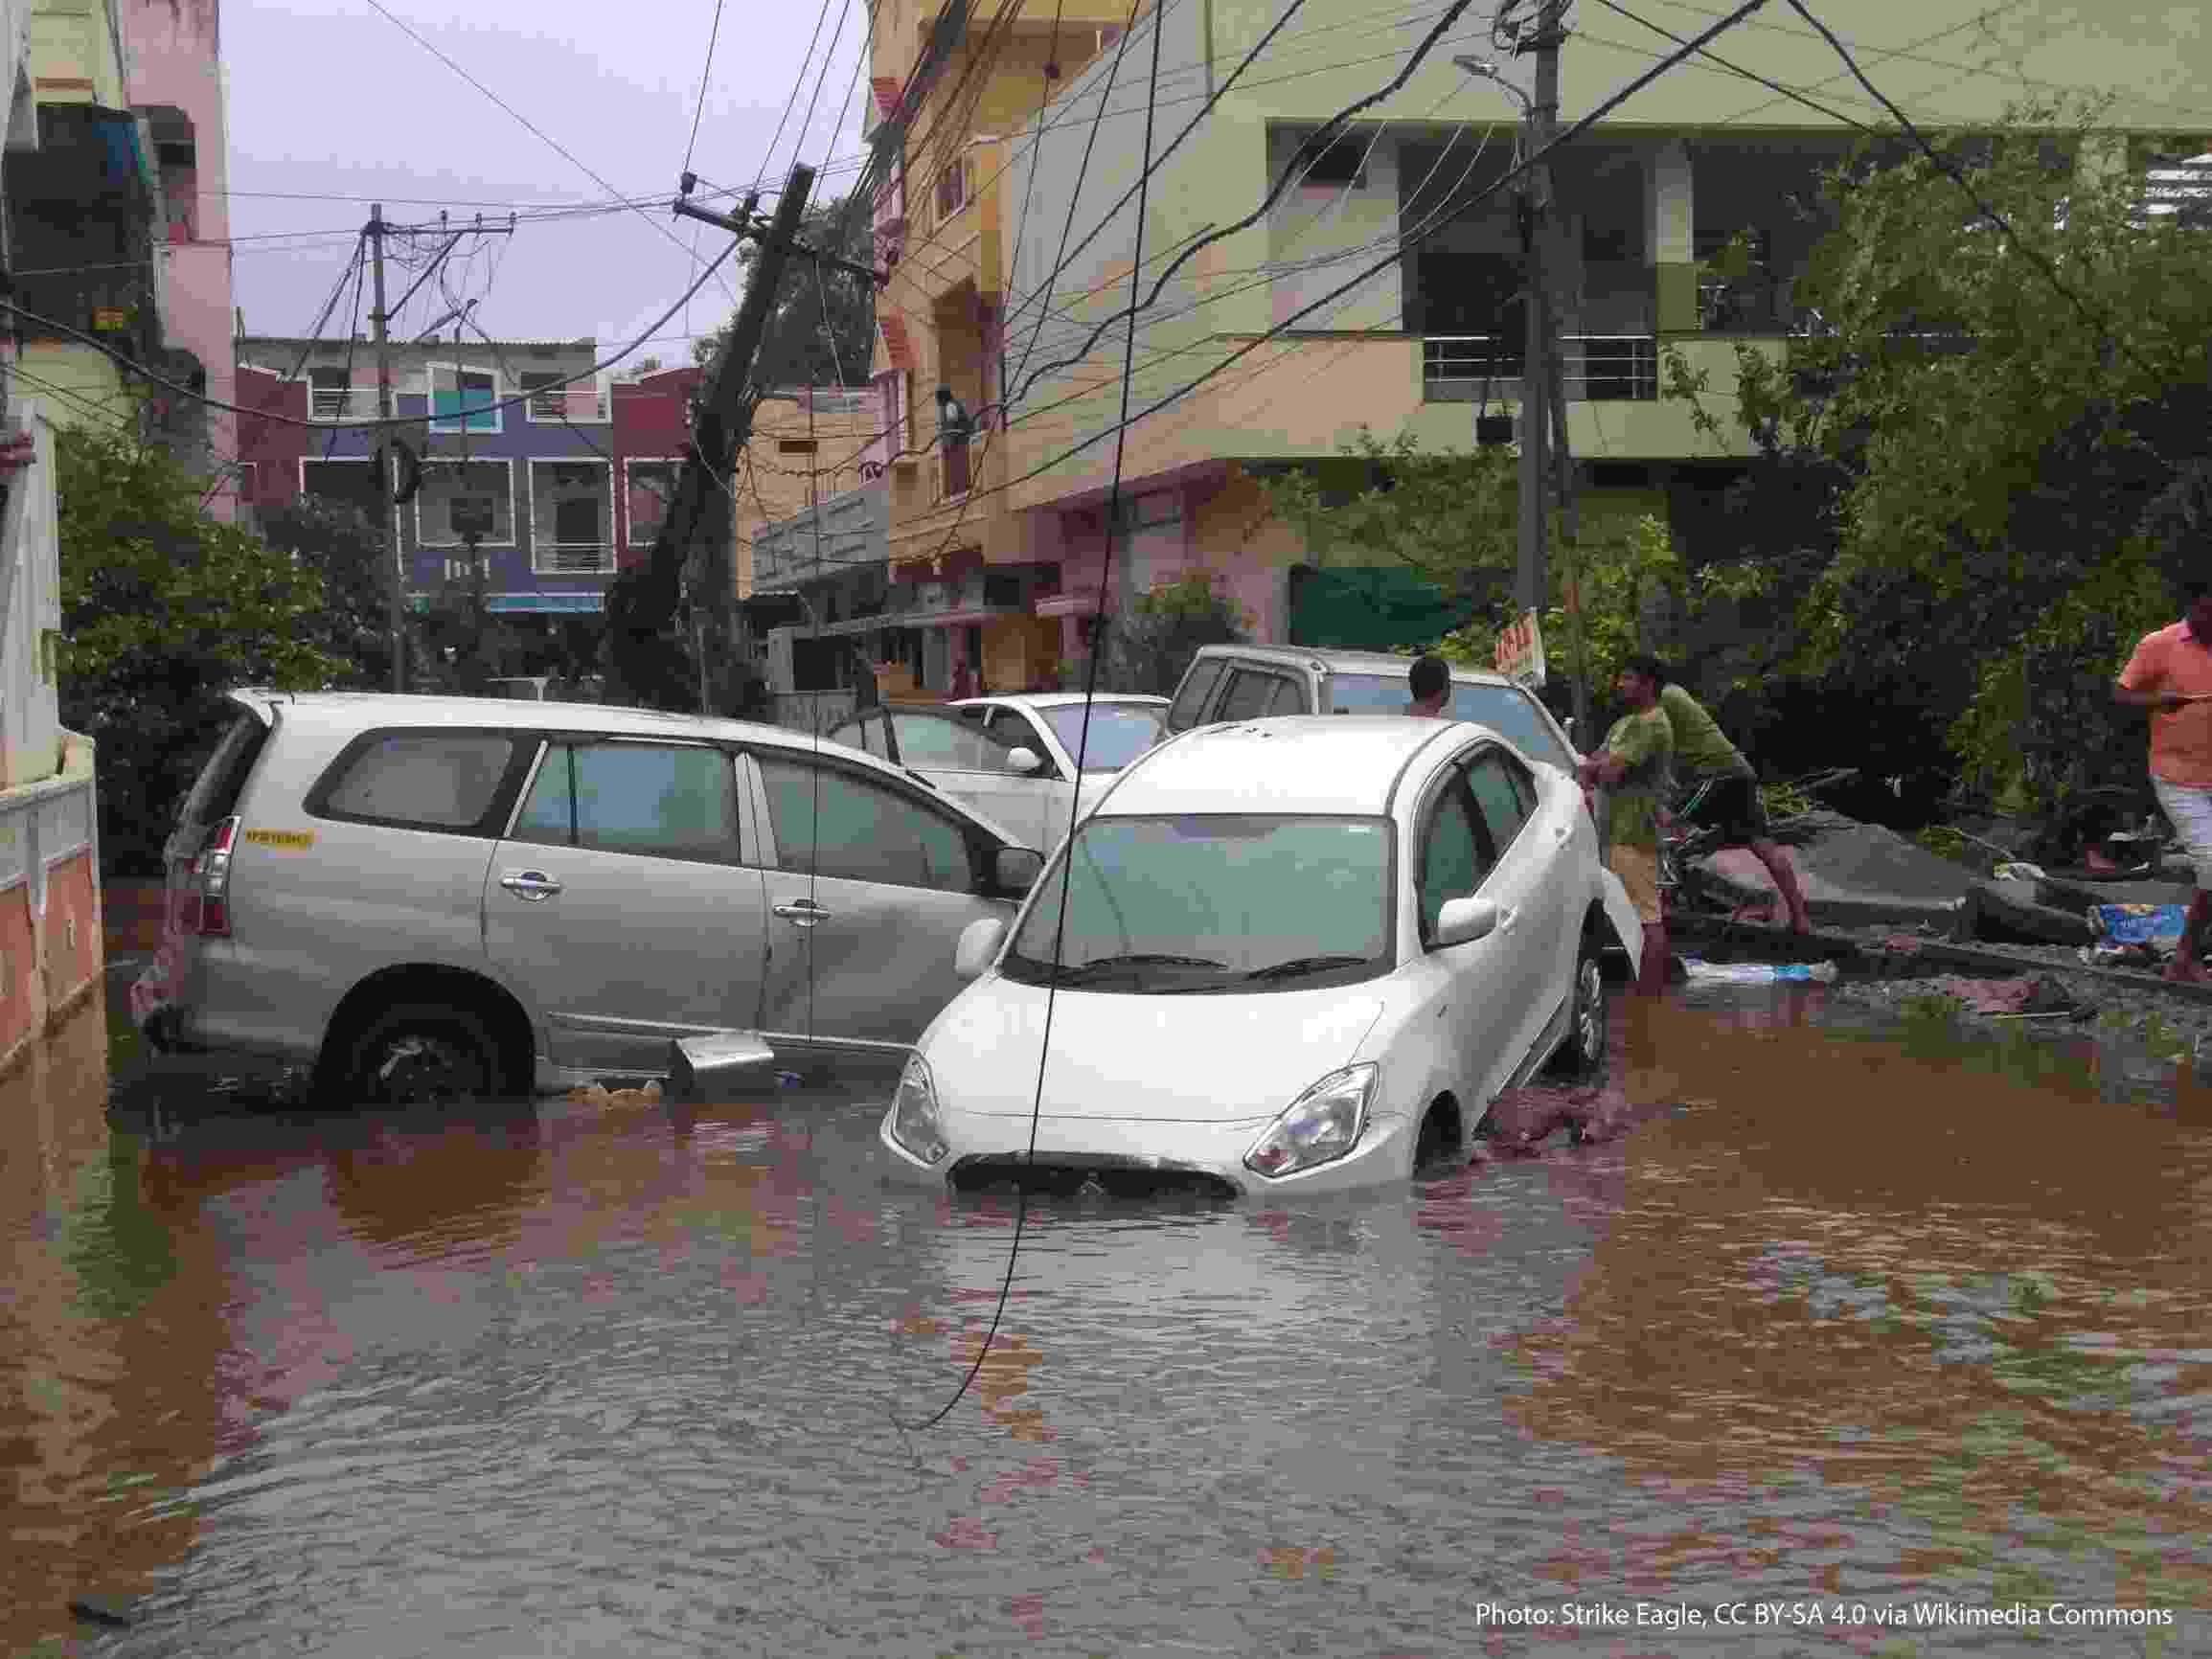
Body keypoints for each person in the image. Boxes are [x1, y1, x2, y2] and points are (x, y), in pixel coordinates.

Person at [1654, 670, 1813, 934]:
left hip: (1717, 775)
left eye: (1629, 680)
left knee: (1667, 823)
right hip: (1740, 773)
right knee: (1765, 848)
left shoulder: (1663, 698)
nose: (1623, 687)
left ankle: (1663, 909)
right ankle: (1800, 919)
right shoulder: (1677, 697)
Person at [2114, 580, 2212, 982]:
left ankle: (2183, 959)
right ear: (2193, 607)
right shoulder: (2160, 644)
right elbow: (2120, 694)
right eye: (2206, 611)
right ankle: (2186, 957)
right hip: (2179, 775)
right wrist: (2159, 701)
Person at [1575, 654, 1675, 994]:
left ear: (1648, 685)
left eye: (1628, 678)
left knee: (1645, 916)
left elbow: (1606, 771)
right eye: (1621, 677)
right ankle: (1643, 994)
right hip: (1615, 830)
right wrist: (1595, 768)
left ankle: (1650, 998)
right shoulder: (1625, 725)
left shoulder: (1651, 725)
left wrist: (1596, 769)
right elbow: (1593, 764)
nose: (1620, 684)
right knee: (1630, 913)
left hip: (1634, 831)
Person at [1406, 653, 1451, 717]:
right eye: (1448, 681)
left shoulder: (1393, 718)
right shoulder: (1439, 726)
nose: (1450, 686)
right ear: (1444, 687)